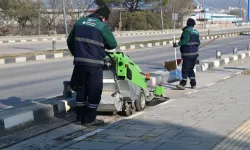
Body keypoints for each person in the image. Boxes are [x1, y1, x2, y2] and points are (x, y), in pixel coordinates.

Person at [67, 5, 118, 126]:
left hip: (79, 63)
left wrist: (77, 53)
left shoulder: (79, 22)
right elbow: (113, 44)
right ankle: (90, 119)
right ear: (104, 18)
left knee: (81, 90)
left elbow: (69, 41)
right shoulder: (101, 26)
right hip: (94, 64)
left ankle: (80, 117)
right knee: (94, 91)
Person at [173, 18, 200, 90]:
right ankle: (193, 83)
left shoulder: (186, 31)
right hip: (194, 54)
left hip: (188, 53)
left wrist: (177, 44)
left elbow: (185, 40)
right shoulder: (196, 32)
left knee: (185, 69)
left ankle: (182, 84)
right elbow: (198, 43)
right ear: (194, 24)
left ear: (187, 24)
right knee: (191, 69)